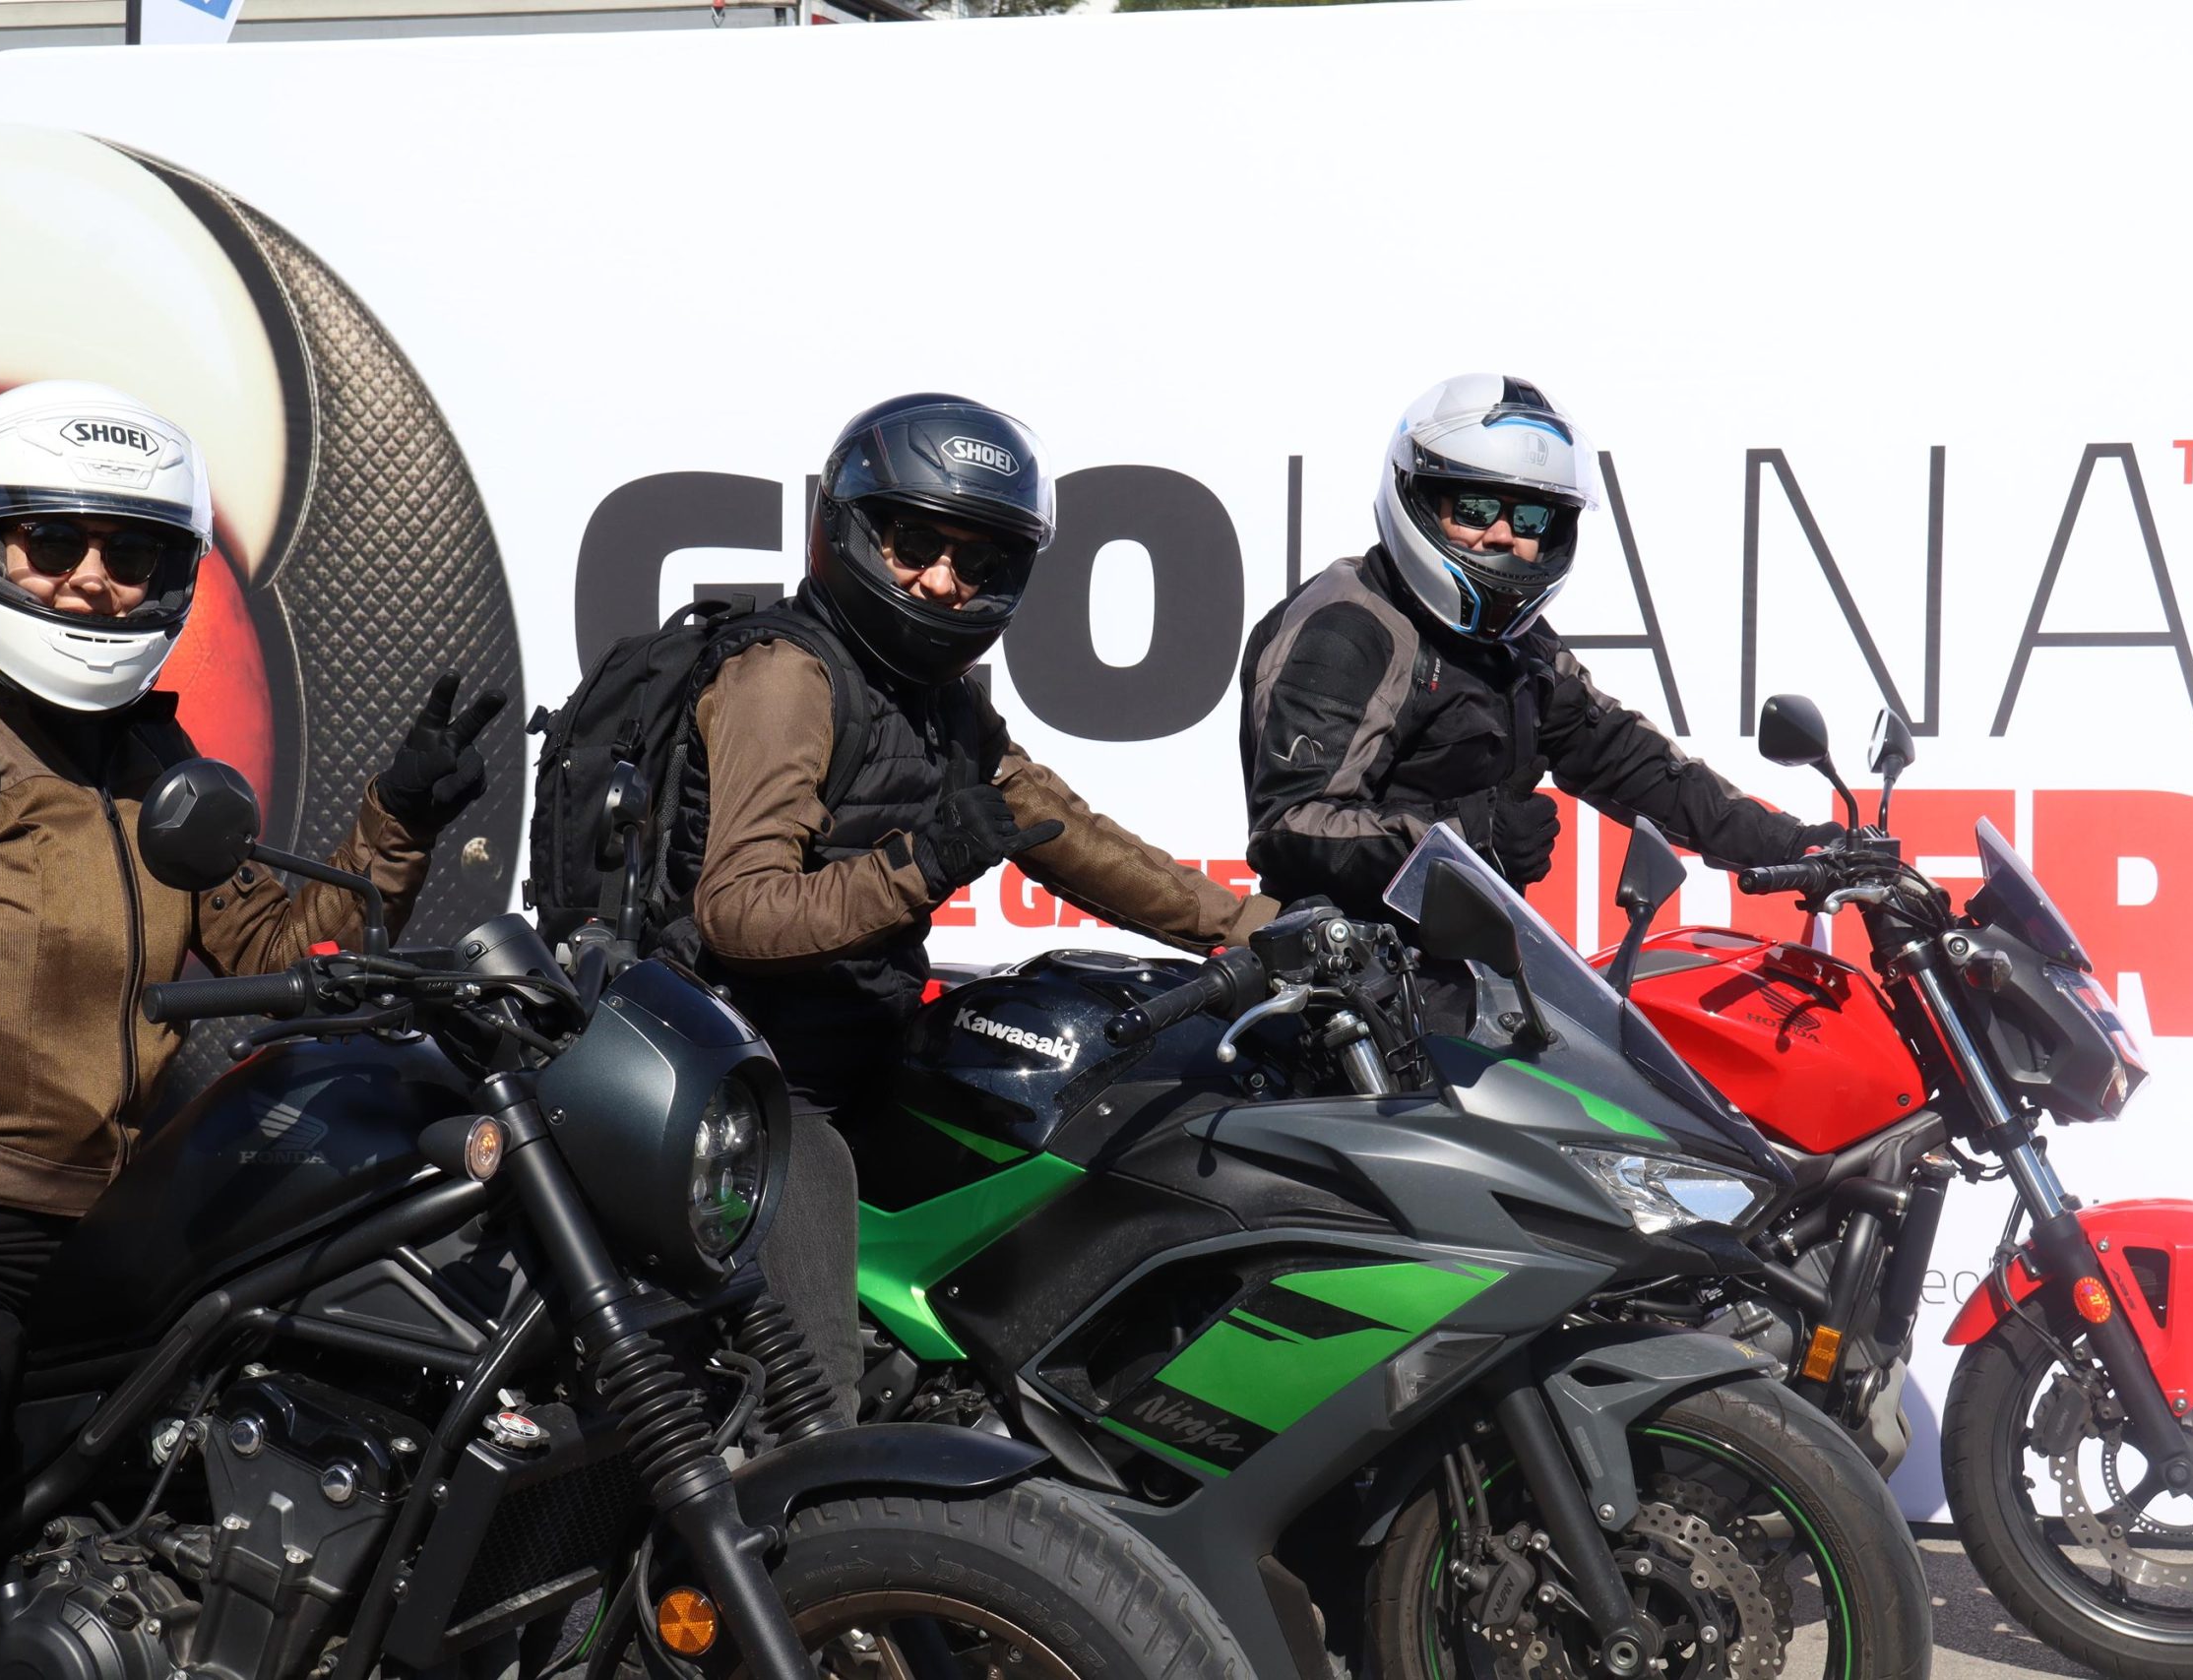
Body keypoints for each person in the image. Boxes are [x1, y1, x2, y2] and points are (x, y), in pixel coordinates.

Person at [0, 380, 501, 1679]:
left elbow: (285, 958)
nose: (91, 579)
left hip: (108, 1240)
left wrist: (395, 820)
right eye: (50, 542)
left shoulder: (150, 762)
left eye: (131, 553)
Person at [664, 393, 1277, 1397]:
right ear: (850, 530)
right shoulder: (786, 678)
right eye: (914, 546)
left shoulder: (935, 702)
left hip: (867, 1060)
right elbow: (740, 911)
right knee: (815, 1401)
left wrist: (1257, 927)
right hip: (756, 1084)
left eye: (978, 563)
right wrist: (917, 865)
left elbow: (1063, 830)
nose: (943, 581)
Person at [1240, 372, 1840, 933]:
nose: (1502, 534)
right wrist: (1468, 834)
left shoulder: (1516, 644)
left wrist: (1795, 844)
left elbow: (1625, 755)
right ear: (1421, 498)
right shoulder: (1349, 630)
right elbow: (1289, 830)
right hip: (1344, 975)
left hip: (1473, 961)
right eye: (1475, 509)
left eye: (1527, 517)